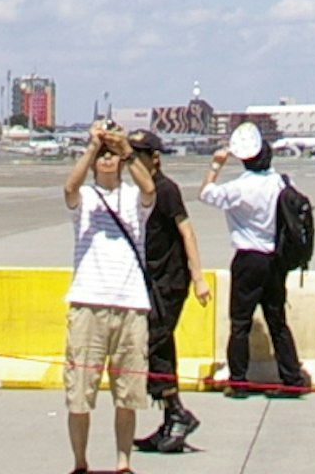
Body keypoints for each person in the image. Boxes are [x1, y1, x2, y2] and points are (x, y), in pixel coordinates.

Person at [65, 124, 155, 474]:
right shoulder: (86, 198)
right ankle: (80, 462)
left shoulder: (132, 196)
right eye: (101, 157)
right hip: (88, 299)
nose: (106, 160)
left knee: (128, 392)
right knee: (79, 392)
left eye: (110, 156)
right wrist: (92, 147)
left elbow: (150, 189)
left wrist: (126, 151)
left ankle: (123, 461)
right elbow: (69, 188)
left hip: (130, 301)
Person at [200, 122, 301, 399]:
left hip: (248, 259)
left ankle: (239, 381)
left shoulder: (238, 188)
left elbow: (206, 194)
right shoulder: (281, 182)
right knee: (277, 320)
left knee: (240, 323)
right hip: (275, 259)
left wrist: (215, 165)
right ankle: (292, 377)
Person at [126, 130, 198, 455]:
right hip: (150, 280)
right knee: (160, 346)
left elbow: (186, 230)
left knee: (153, 342)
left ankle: (178, 413)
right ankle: (172, 417)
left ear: (154, 157)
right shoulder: (142, 193)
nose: (134, 159)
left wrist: (198, 277)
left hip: (169, 282)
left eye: (139, 154)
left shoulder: (166, 190)